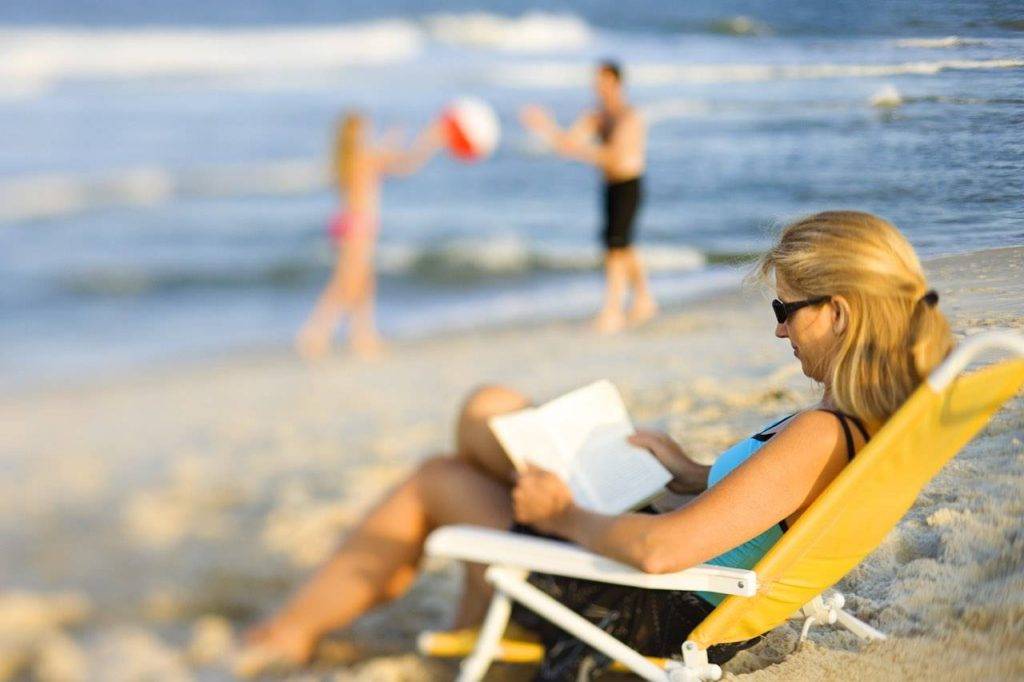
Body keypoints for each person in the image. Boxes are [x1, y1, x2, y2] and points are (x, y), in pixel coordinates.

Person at [240, 211, 953, 679]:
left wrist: (559, 513)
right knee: (489, 412)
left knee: (439, 478)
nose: (778, 329)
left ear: (838, 313)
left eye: (785, 309)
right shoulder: (860, 424)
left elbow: (661, 553)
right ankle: (460, 608)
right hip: (677, 573)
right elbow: (774, 506)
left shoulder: (823, 433)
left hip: (645, 603)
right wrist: (692, 472)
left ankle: (288, 636)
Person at [520, 60, 658, 334]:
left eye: (602, 81)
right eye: (596, 81)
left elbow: (613, 156)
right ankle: (644, 300)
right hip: (609, 186)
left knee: (615, 249)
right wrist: (544, 125)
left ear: (617, 83)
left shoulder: (629, 117)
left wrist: (580, 150)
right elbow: (566, 143)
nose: (597, 86)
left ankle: (613, 311)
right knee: (622, 245)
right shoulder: (597, 116)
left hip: (629, 185)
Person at [295, 112, 443, 359]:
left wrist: (389, 143)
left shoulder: (346, 159)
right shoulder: (366, 157)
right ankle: (315, 334)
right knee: (346, 284)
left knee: (362, 283)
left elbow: (383, 159)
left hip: (347, 224)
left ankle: (362, 336)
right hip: (358, 227)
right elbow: (407, 164)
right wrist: (431, 139)